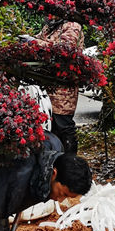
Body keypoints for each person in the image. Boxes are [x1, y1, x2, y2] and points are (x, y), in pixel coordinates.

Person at [35, 18, 84, 154]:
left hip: (64, 88)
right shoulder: (50, 26)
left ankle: (70, 162)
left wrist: (35, 42)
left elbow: (64, 49)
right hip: (48, 84)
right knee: (51, 126)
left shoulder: (72, 26)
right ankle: (56, 163)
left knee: (64, 124)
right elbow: (38, 39)